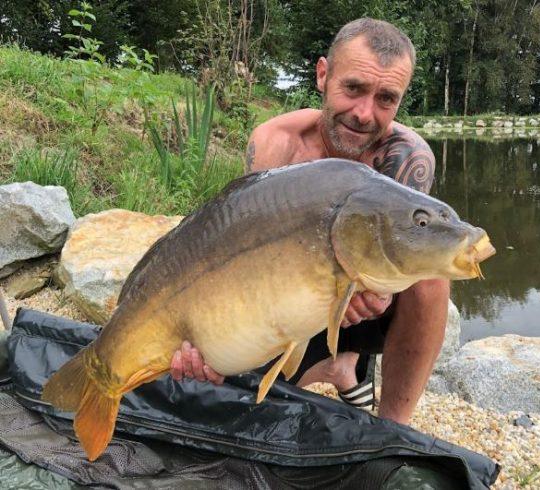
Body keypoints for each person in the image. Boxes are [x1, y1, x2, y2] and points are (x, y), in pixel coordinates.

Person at [170, 18, 449, 425]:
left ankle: (393, 429)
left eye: (386, 98)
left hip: (365, 309)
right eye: (353, 88)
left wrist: (380, 292)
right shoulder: (276, 145)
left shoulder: (408, 157)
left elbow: (407, 248)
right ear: (323, 74)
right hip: (290, 301)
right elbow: (243, 263)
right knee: (222, 394)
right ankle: (336, 368)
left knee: (432, 276)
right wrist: (210, 345)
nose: (364, 113)